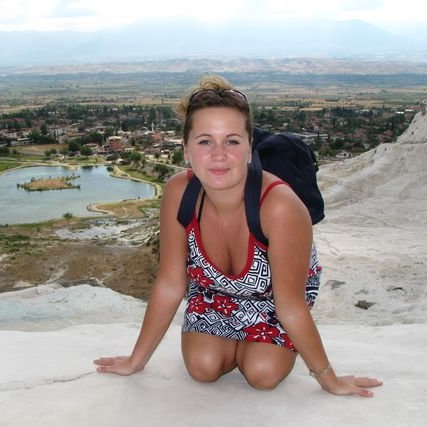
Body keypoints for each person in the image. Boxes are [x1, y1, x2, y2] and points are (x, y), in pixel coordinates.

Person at [94, 75, 382, 397]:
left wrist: (330, 380)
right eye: (205, 141)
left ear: (249, 148)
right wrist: (136, 360)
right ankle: (233, 341)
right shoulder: (179, 193)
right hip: (214, 293)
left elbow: (290, 306)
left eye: (231, 141)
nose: (218, 155)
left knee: (263, 373)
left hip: (274, 298)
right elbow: (171, 283)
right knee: (202, 368)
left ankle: (254, 345)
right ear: (186, 148)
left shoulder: (279, 207)